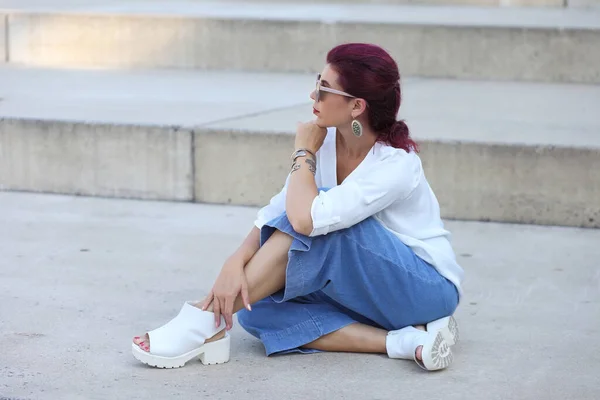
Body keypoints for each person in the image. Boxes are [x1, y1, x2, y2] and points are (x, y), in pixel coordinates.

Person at [132, 43, 464, 371]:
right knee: (254, 304)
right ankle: (407, 342)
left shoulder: (396, 165)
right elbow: (281, 207)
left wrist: (303, 152)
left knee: (327, 226)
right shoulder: (328, 142)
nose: (312, 97)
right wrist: (235, 261)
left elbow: (304, 220)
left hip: (422, 290)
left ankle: (205, 321)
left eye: (324, 90)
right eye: (316, 83)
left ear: (356, 107)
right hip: (365, 287)